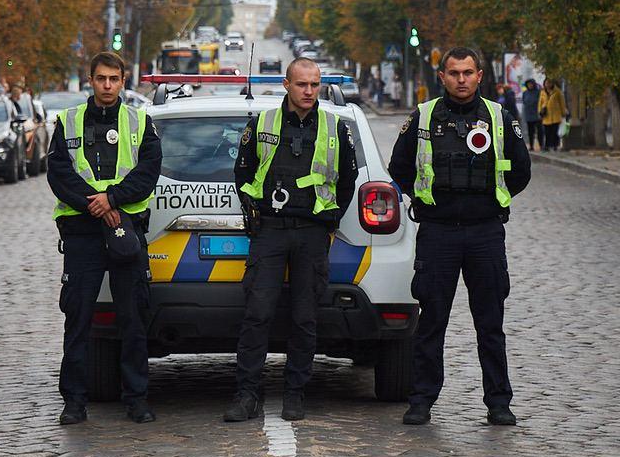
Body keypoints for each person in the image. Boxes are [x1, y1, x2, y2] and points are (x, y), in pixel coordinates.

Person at [387, 47, 532, 427]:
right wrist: (425, 200)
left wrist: (491, 201)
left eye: (468, 73)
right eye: (454, 73)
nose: (461, 80)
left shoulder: (499, 117)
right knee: (432, 321)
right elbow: (399, 166)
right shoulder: (424, 116)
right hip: (437, 233)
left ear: (480, 76)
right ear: (442, 76)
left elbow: (521, 171)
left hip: (485, 233)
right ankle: (421, 401)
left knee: (490, 324)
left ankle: (498, 403)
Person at [224, 58, 358, 423]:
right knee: (257, 314)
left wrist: (330, 220)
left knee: (304, 317)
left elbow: (346, 181)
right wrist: (253, 208)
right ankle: (247, 395)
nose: (309, 92)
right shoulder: (262, 123)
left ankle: (295, 394)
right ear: (287, 84)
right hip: (269, 230)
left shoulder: (336, 127)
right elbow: (243, 172)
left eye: (314, 85)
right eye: (302, 84)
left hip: (313, 232)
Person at [47, 51, 163, 425]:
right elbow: (59, 174)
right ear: (91, 80)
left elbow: (148, 172)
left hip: (125, 228)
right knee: (78, 317)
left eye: (114, 79)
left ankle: (137, 398)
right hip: (82, 232)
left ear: (123, 80)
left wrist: (112, 199)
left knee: (133, 316)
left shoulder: (140, 122)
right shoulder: (67, 122)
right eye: (101, 79)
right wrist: (96, 204)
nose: (108, 85)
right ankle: (75, 401)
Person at [538, 79, 566, 151]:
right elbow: (540, 103)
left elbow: (562, 103)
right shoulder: (542, 92)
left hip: (555, 115)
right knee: (547, 132)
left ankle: (555, 145)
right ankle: (547, 146)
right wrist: (540, 112)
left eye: (549, 83)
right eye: (546, 83)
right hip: (546, 116)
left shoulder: (557, 92)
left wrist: (563, 113)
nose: (548, 85)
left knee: (554, 132)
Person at [521, 79, 542, 152]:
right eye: (529, 84)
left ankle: (541, 145)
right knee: (530, 131)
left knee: (540, 131)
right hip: (529, 115)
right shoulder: (525, 93)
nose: (530, 85)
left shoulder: (538, 92)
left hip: (537, 114)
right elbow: (524, 101)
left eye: (531, 84)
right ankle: (531, 145)